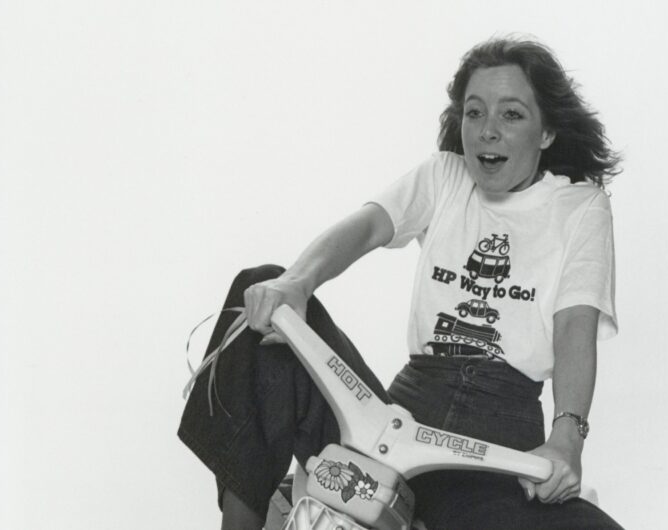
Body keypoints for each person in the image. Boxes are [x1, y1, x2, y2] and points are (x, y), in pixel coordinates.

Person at [179, 36, 624, 530]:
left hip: (491, 457)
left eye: (512, 115)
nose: (487, 131)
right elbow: (369, 226)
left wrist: (568, 437)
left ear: (547, 132)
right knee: (261, 290)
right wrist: (297, 286)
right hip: (389, 424)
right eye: (474, 113)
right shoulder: (444, 177)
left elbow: (574, 325)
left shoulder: (580, 208)